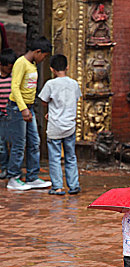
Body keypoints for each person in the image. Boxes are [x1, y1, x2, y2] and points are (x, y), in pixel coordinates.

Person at [6, 36, 52, 191]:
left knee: (34, 142)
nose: (43, 60)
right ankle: (13, 178)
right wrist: (23, 108)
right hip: (18, 108)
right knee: (19, 144)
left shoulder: (32, 65)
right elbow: (15, 87)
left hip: (29, 108)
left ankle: (32, 177)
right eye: (43, 56)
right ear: (38, 51)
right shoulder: (21, 63)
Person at [38, 54, 81, 195]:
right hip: (70, 126)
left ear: (52, 69)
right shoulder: (74, 83)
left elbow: (44, 100)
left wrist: (51, 110)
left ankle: (57, 187)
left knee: (55, 157)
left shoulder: (50, 84)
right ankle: (73, 185)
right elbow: (76, 99)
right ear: (67, 67)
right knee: (71, 156)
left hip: (55, 126)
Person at [0, 48, 17, 179]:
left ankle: (12, 168)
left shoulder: (14, 79)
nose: (10, 70)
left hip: (12, 114)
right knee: (1, 145)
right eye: (8, 67)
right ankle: (4, 167)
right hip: (1, 115)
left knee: (13, 143)